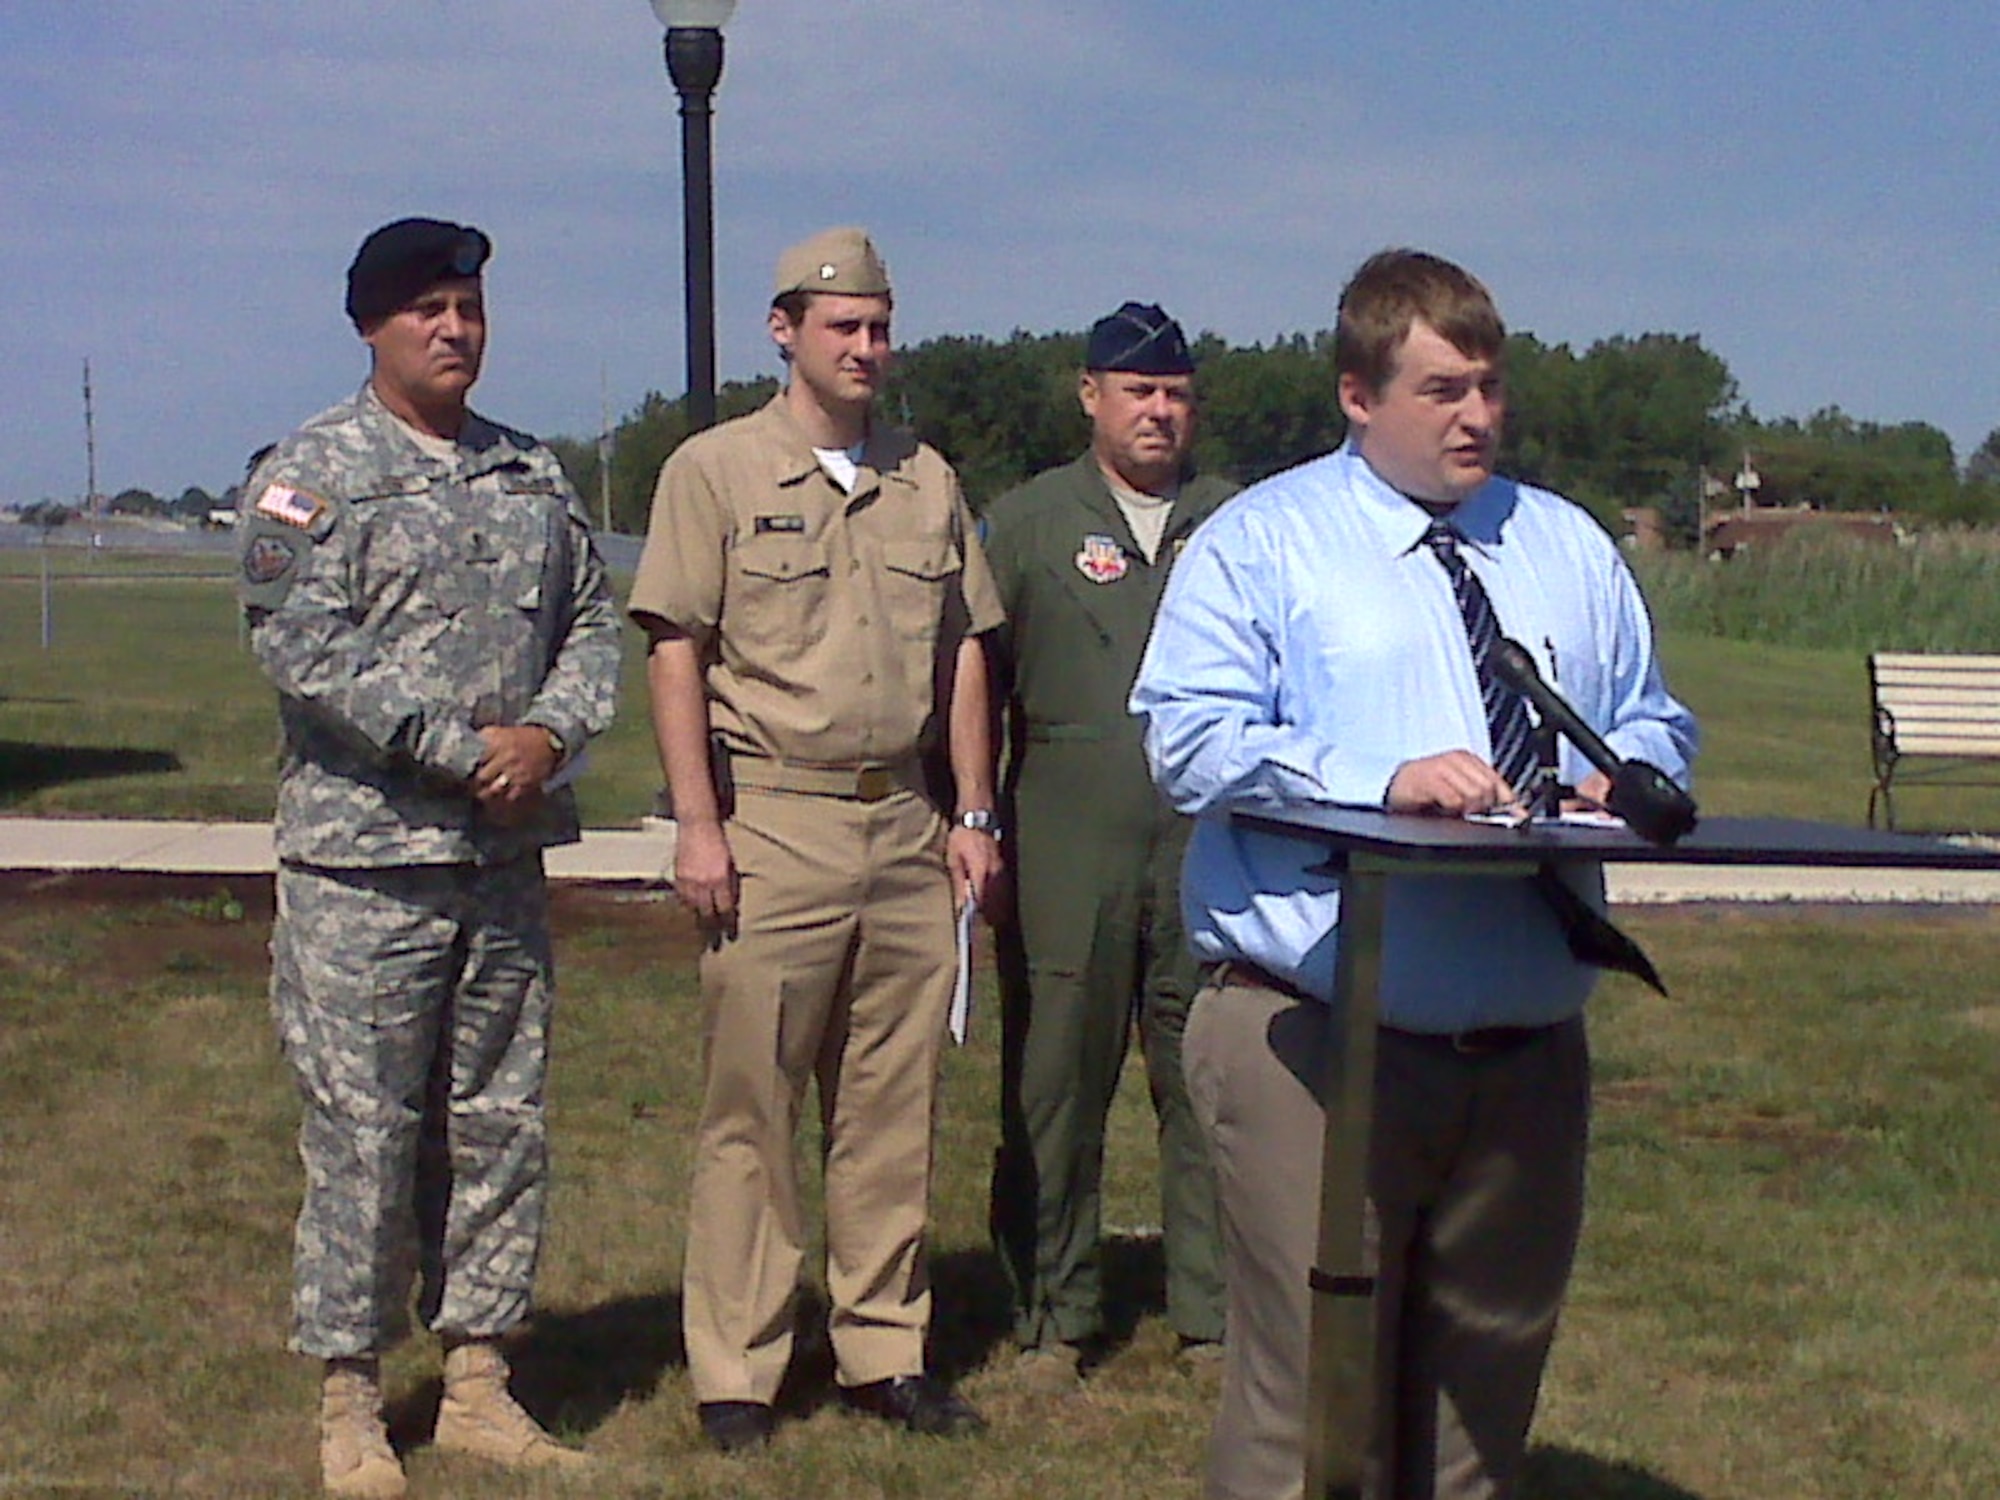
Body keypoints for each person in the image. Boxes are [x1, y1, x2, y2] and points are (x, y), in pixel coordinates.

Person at [1130, 249, 1697, 1500]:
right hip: (1318, 1039)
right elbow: (1188, 739)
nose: (1477, 417)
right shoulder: (1264, 544)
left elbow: (1648, 715)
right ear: (1355, 393)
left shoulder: (1561, 544)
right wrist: (1375, 779)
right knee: (1312, 1416)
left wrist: (1630, 771)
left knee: (1478, 1418)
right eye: (1441, 390)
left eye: (1489, 387)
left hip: (1524, 1045)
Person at [237, 216, 621, 1500]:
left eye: (466, 307)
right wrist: (467, 747)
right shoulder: (311, 475)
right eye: (425, 310)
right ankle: (349, 1397)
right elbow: (306, 647)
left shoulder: (529, 474)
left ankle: (476, 1384)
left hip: (499, 865)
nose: (453, 330)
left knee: (498, 1126)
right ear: (370, 326)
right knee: (364, 1136)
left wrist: (551, 732)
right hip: (365, 871)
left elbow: (590, 625)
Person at [627, 226, 1006, 1453]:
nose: (865, 348)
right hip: (774, 820)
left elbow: (962, 649)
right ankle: (737, 1367)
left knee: (892, 1106)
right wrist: (699, 825)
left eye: (880, 326)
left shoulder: (925, 478)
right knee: (753, 1105)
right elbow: (674, 645)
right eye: (842, 326)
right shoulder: (716, 473)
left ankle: (882, 1349)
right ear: (783, 331)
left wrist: (972, 811)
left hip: (902, 821)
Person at [983, 302, 1232, 1387]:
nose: (1158, 413)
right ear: (1090, 395)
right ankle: (1053, 1308)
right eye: (1137, 392)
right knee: (1056, 1073)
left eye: (1175, 394)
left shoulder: (1236, 523)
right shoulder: (1027, 523)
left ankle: (1215, 1310)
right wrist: (973, 821)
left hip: (1203, 840)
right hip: (1064, 821)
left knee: (1208, 1074)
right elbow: (971, 685)